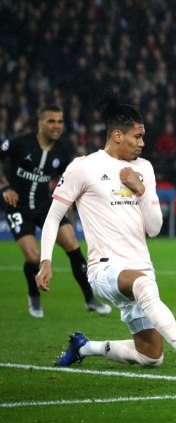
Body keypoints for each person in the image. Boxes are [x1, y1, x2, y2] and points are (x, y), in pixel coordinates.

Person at [34, 91, 176, 377]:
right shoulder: (84, 167)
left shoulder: (144, 169)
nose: (142, 143)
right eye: (137, 137)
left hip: (140, 267)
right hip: (104, 269)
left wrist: (140, 189)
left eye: (143, 137)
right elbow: (53, 217)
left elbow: (154, 228)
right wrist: (46, 260)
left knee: (150, 357)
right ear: (117, 135)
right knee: (143, 286)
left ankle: (84, 348)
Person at [0, 105, 111, 318]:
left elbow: (68, 182)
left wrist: (69, 216)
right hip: (18, 207)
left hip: (45, 206)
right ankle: (34, 296)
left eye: (60, 122)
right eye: (51, 121)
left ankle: (90, 299)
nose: (56, 126)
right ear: (39, 123)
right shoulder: (20, 143)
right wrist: (4, 186)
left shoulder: (62, 150)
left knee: (72, 244)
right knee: (34, 257)